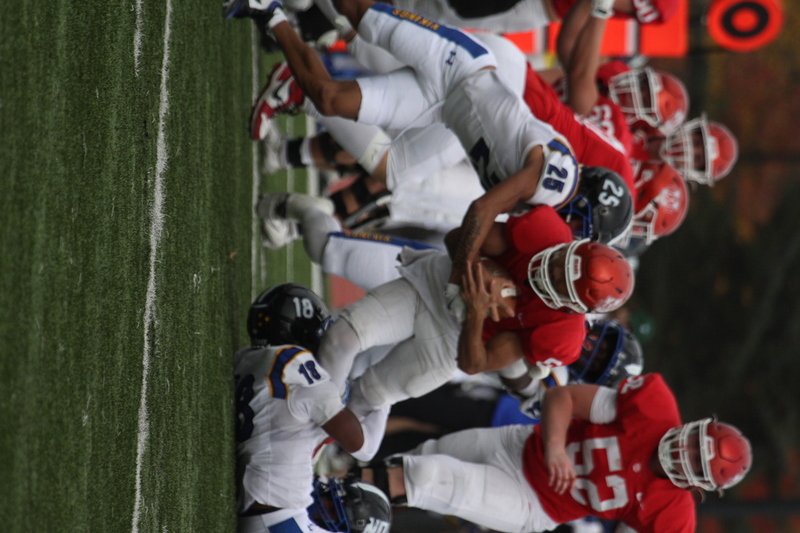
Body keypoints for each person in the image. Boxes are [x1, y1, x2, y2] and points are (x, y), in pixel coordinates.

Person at [223, 0, 631, 295]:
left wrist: (486, 278)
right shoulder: (555, 181)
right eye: (580, 227)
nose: (570, 237)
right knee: (357, 16)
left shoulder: (545, 213)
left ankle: (270, 13)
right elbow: (481, 210)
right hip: (458, 65)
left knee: (337, 107)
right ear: (583, 203)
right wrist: (463, 275)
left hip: (446, 114)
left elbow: (462, 235)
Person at [356, 373, 752, 533]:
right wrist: (555, 447)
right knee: (419, 458)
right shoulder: (653, 406)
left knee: (428, 477)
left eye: (697, 462)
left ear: (699, 485)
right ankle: (337, 496)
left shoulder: (674, 515)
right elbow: (563, 397)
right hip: (518, 444)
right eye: (694, 442)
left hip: (534, 503)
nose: (685, 453)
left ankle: (327, 504)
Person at [234, 283, 391, 533]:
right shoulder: (301, 368)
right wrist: (386, 394)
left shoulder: (245, 359)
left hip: (268, 507)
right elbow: (360, 445)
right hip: (278, 513)